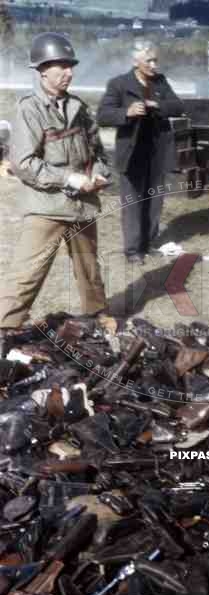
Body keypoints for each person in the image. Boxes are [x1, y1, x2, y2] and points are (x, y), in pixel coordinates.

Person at [0, 32, 111, 356]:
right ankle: (4, 329)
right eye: (60, 66)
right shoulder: (30, 109)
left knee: (89, 268)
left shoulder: (79, 107)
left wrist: (98, 173)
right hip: (46, 205)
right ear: (42, 70)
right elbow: (23, 163)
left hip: (82, 205)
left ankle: (96, 317)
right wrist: (69, 178)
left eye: (70, 66)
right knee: (27, 272)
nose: (68, 72)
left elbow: (97, 152)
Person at [96, 39, 185, 264]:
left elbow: (178, 106)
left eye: (156, 60)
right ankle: (133, 250)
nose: (154, 65)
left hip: (157, 151)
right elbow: (103, 115)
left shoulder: (160, 81)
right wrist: (126, 112)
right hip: (132, 152)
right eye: (149, 61)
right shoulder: (118, 84)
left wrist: (158, 105)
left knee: (155, 200)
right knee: (133, 202)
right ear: (136, 62)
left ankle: (148, 243)